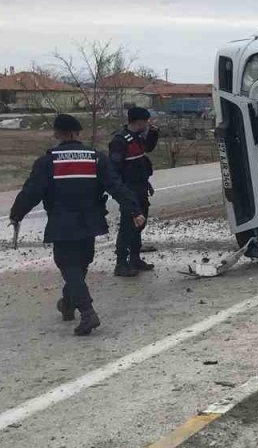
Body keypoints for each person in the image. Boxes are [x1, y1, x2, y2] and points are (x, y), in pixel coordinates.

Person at [9, 114, 146, 336]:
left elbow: (31, 192)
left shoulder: (48, 161)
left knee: (68, 265)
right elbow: (116, 186)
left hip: (63, 222)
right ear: (77, 133)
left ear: (57, 134)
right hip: (91, 221)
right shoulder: (96, 158)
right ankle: (67, 303)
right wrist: (135, 210)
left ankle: (87, 312)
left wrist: (16, 215)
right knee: (80, 263)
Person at [108, 106, 158, 277]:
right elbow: (114, 169)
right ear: (138, 122)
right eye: (146, 121)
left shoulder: (136, 138)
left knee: (140, 223)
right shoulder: (120, 141)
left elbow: (147, 149)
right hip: (128, 189)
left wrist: (153, 134)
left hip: (141, 186)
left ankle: (135, 258)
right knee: (128, 226)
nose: (148, 124)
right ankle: (121, 263)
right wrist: (122, 192)